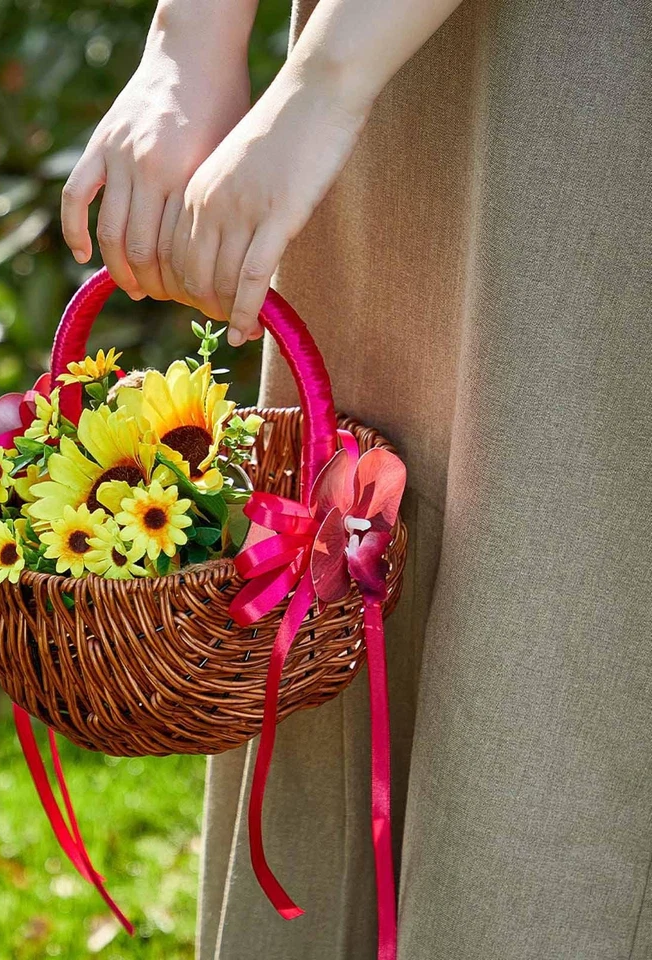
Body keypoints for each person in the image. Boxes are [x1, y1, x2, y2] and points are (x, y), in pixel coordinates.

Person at [60, 0, 652, 957]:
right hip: (380, 63)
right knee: (355, 503)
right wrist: (192, 41)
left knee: (554, 585)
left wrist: (324, 84)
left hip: (585, 71)